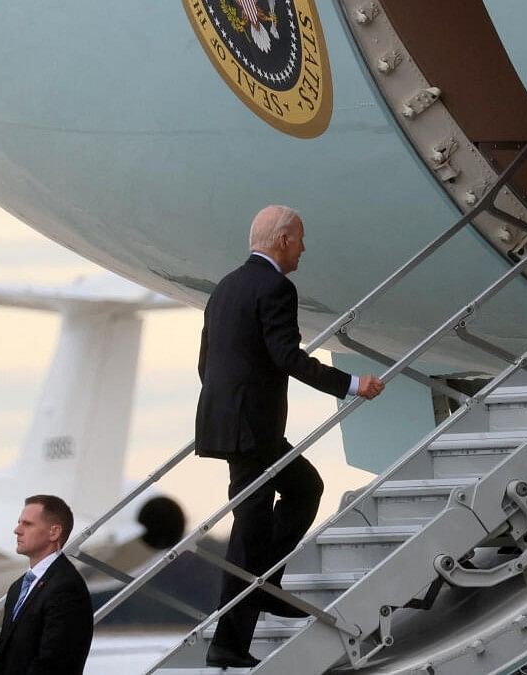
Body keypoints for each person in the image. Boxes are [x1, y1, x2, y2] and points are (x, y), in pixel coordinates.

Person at [195, 205, 385, 668]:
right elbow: (287, 356)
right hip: (254, 428)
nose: (303, 247)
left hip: (227, 421)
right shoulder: (277, 287)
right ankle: (231, 636)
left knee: (300, 490)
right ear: (281, 240)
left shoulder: (226, 287)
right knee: (251, 526)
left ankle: (266, 583)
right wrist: (351, 385)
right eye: (299, 238)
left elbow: (206, 360)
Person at [0, 495, 93, 675]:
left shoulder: (67, 588)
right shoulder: (17, 587)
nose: (17, 530)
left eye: (27, 524)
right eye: (19, 522)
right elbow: (3, 658)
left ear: (54, 532)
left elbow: (55, 663)